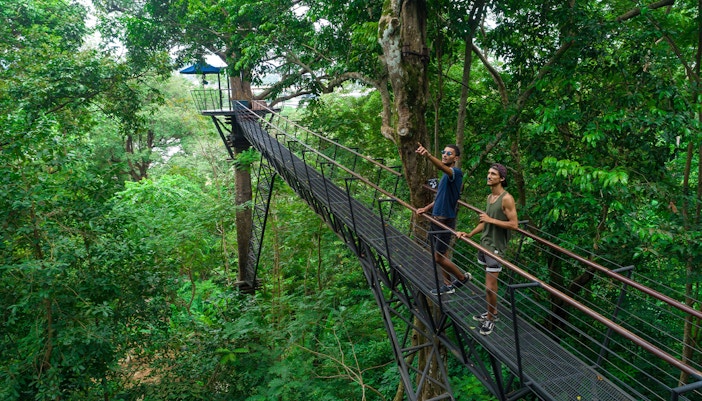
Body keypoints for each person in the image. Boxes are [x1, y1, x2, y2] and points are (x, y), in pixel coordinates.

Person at [456, 163, 518, 336]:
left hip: (496, 248)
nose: (489, 176)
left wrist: (491, 221)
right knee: (488, 286)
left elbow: (514, 224)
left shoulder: (507, 198)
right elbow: (485, 221)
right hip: (484, 244)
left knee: (490, 287)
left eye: (493, 174)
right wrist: (470, 234)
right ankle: (492, 312)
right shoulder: (490, 197)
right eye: (488, 173)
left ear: (502, 179)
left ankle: (491, 319)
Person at [416, 143, 472, 295]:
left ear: (456, 158)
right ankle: (447, 284)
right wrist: (426, 209)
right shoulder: (445, 177)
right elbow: (440, 197)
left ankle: (461, 278)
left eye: (449, 153)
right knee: (441, 254)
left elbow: (443, 168)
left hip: (445, 220)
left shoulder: (455, 173)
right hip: (436, 218)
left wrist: (428, 155)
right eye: (444, 152)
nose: (445, 154)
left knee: (438, 258)